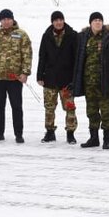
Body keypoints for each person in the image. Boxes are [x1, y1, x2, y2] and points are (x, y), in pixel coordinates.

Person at [72, 11, 109, 149]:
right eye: (95, 20)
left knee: (106, 111)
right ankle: (94, 138)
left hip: (104, 83)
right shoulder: (83, 37)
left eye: (100, 20)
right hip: (88, 83)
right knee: (91, 111)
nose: (98, 22)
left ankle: (106, 139)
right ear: (90, 23)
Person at [0, 8, 32, 144]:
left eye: (8, 19)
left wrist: (25, 73)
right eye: (3, 19)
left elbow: (27, 55)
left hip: (14, 78)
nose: (6, 21)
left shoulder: (21, 35)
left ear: (12, 19)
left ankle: (19, 134)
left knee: (16, 106)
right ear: (0, 21)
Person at [36, 10, 79, 144]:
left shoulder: (72, 35)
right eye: (56, 20)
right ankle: (50, 132)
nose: (58, 22)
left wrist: (75, 78)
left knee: (70, 107)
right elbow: (42, 56)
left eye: (60, 20)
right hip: (50, 78)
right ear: (52, 22)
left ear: (63, 20)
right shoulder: (46, 36)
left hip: (67, 79)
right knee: (49, 107)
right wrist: (39, 75)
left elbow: (77, 58)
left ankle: (70, 133)